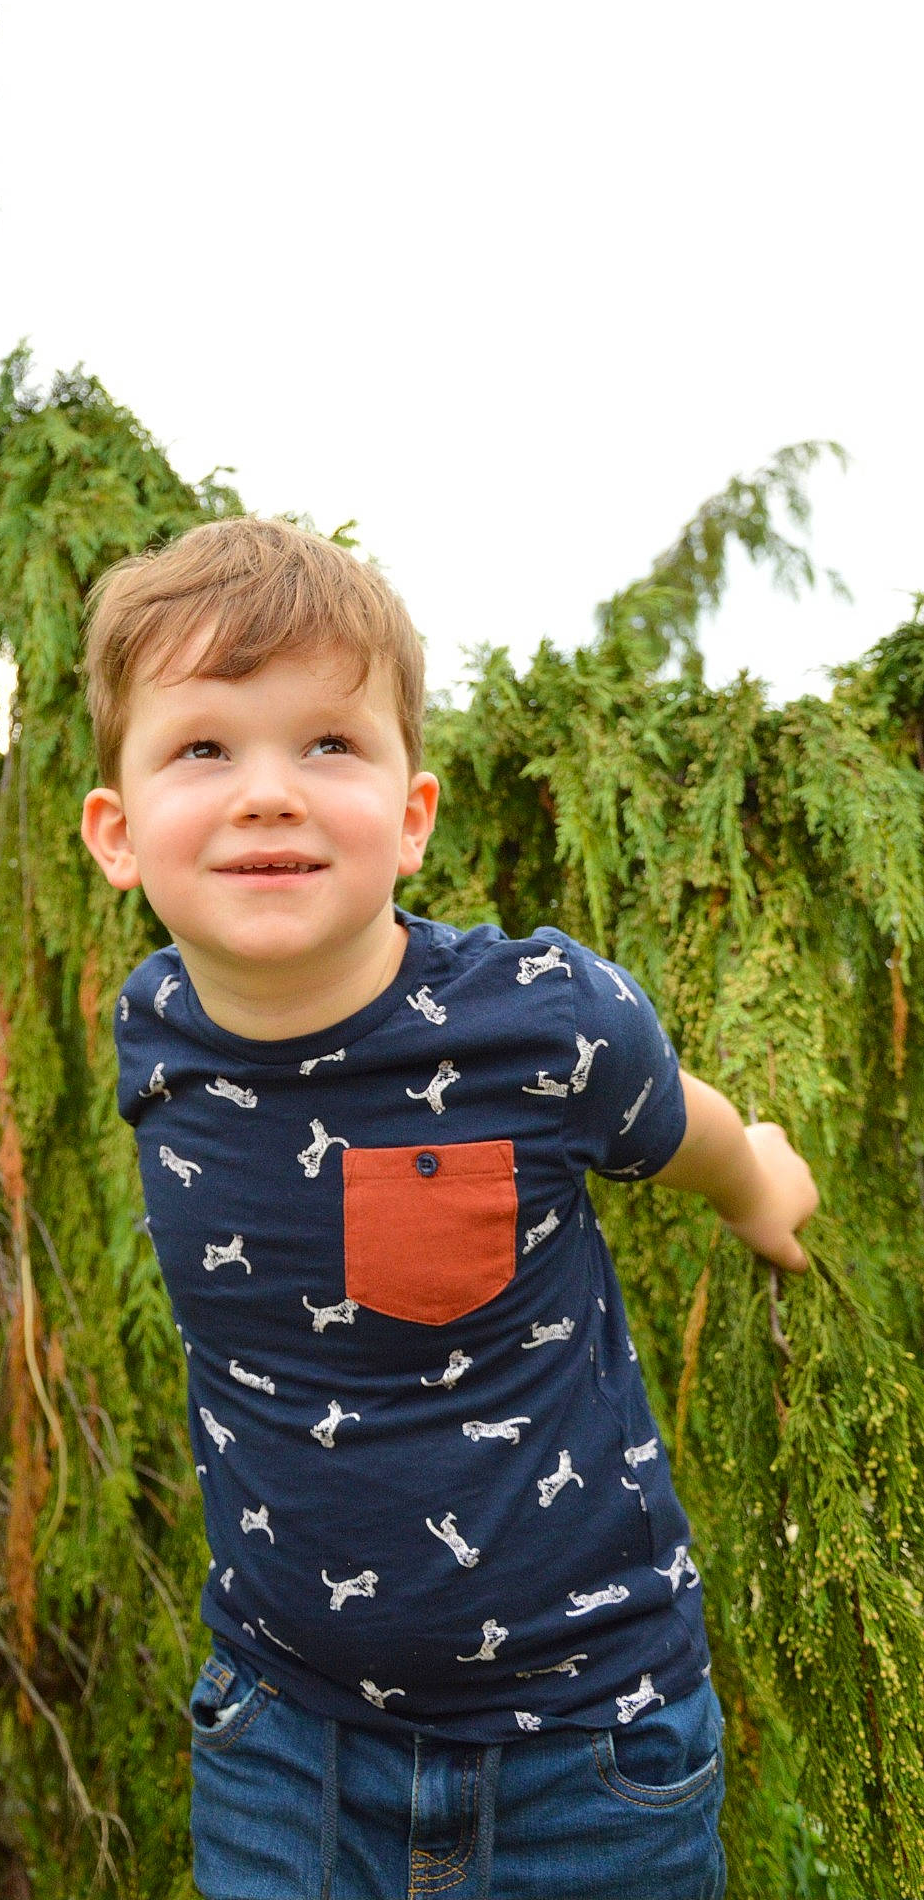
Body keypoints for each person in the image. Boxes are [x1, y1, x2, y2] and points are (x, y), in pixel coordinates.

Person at [78, 517, 817, 1900]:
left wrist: (757, 1180)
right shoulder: (152, 1029)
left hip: (592, 1750)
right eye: (202, 749)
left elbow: (679, 1126)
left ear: (412, 813)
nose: (266, 794)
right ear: (116, 837)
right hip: (282, 1744)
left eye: (327, 745)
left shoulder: (540, 1021)